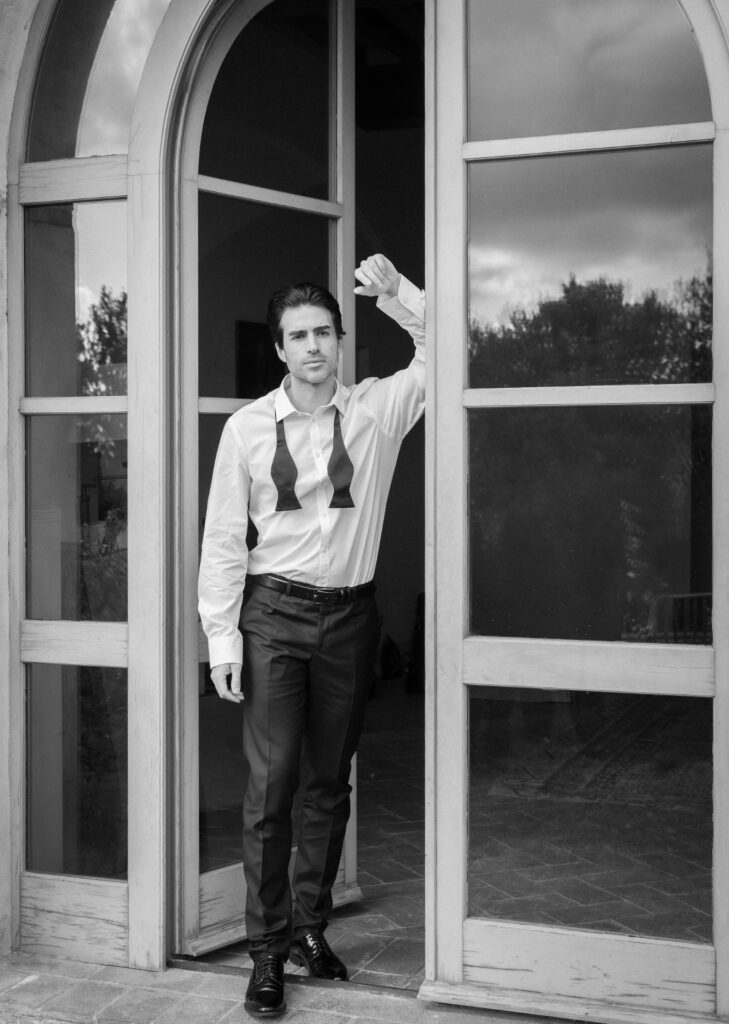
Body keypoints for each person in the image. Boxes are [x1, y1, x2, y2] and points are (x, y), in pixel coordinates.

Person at [198, 253, 425, 1018]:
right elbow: (224, 541)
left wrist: (397, 293)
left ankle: (307, 930)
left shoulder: (377, 411)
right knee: (271, 789)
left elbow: (448, 348)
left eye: (323, 331)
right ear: (279, 348)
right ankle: (265, 953)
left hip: (351, 618)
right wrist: (221, 640)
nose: (313, 346)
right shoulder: (246, 430)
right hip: (272, 615)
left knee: (329, 785)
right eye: (297, 335)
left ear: (339, 339)